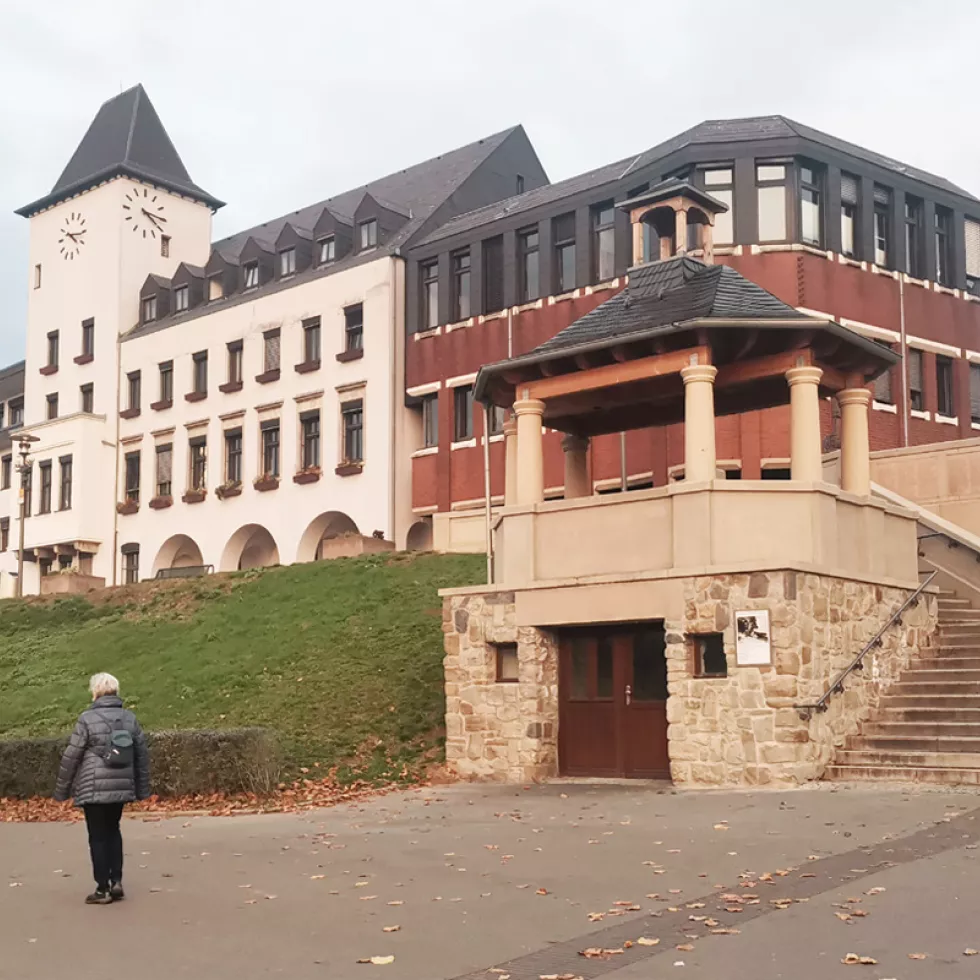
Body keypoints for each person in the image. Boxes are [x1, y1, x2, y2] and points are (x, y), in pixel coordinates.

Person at [54, 672, 150, 905]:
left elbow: (72, 756)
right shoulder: (129, 718)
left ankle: (102, 888)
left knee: (97, 837)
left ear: (95, 692)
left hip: (93, 787)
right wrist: (142, 790)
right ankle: (116, 881)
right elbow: (141, 755)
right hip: (121, 786)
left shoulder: (87, 719)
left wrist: (62, 791)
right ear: (116, 691)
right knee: (113, 830)